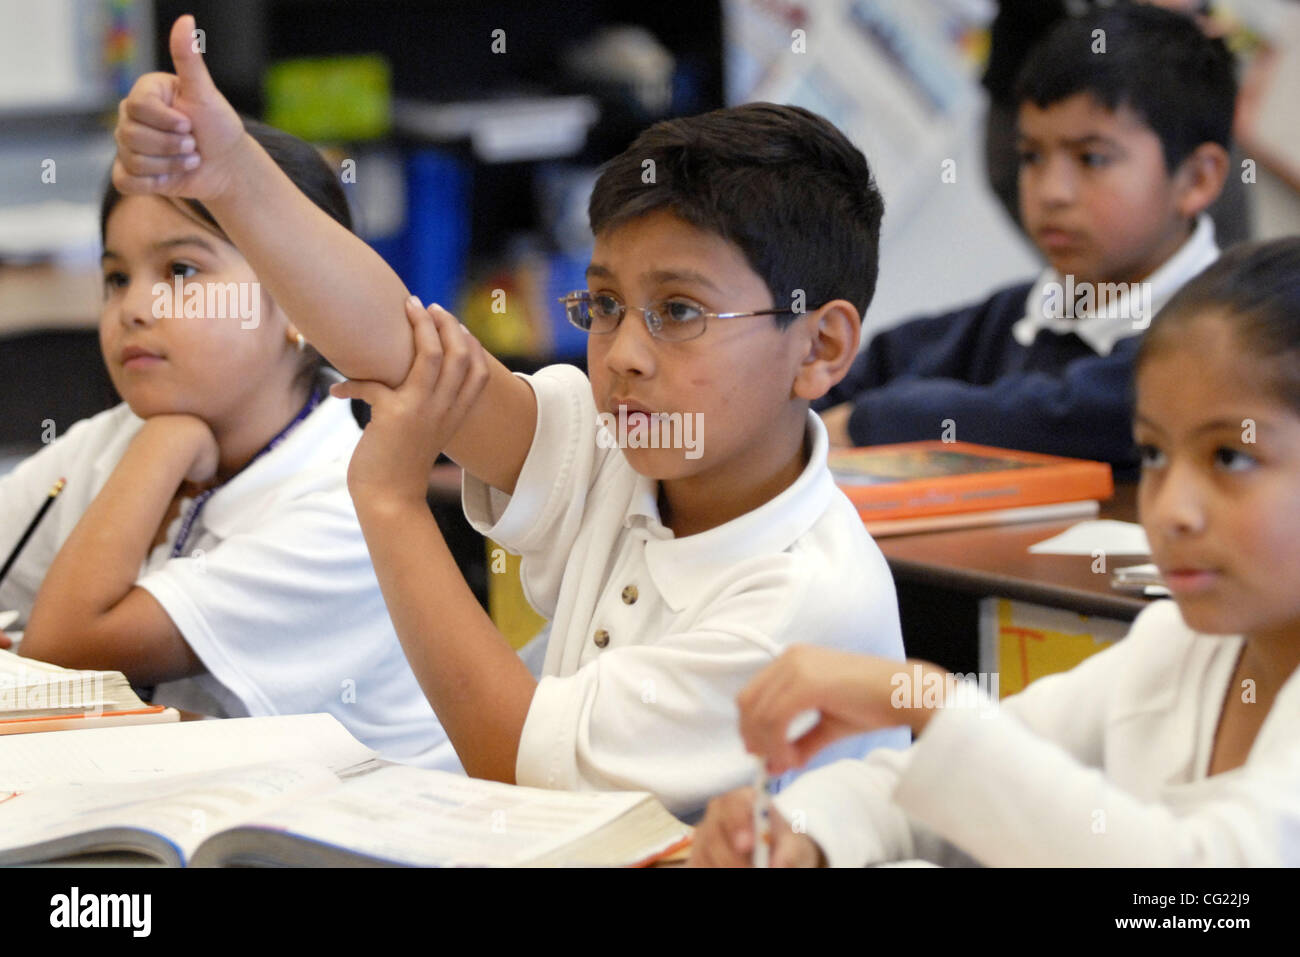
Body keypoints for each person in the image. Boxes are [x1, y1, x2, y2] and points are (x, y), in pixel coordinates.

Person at [107, 14, 908, 820]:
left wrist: (391, 502)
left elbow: (515, 762)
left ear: (820, 344)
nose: (624, 351)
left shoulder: (801, 600)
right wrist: (230, 174)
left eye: (678, 309)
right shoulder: (628, 450)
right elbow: (405, 351)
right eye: (603, 305)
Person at [690, 238, 1300, 867]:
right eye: (1154, 454)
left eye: (1231, 456)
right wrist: (802, 835)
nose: (1172, 508)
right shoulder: (1178, 647)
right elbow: (928, 788)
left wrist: (928, 700)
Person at [0, 118, 456, 770]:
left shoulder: (343, 502)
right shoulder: (109, 437)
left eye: (180, 269)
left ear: (302, 303)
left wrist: (164, 447)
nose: (134, 306)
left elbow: (66, 651)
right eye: (116, 277)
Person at [819, 4, 1234, 475]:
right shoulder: (1010, 319)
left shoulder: (1233, 336)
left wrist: (870, 422)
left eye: (1092, 159)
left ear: (1197, 179)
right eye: (1032, 157)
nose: (1050, 192)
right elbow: (842, 374)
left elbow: (1074, 415)